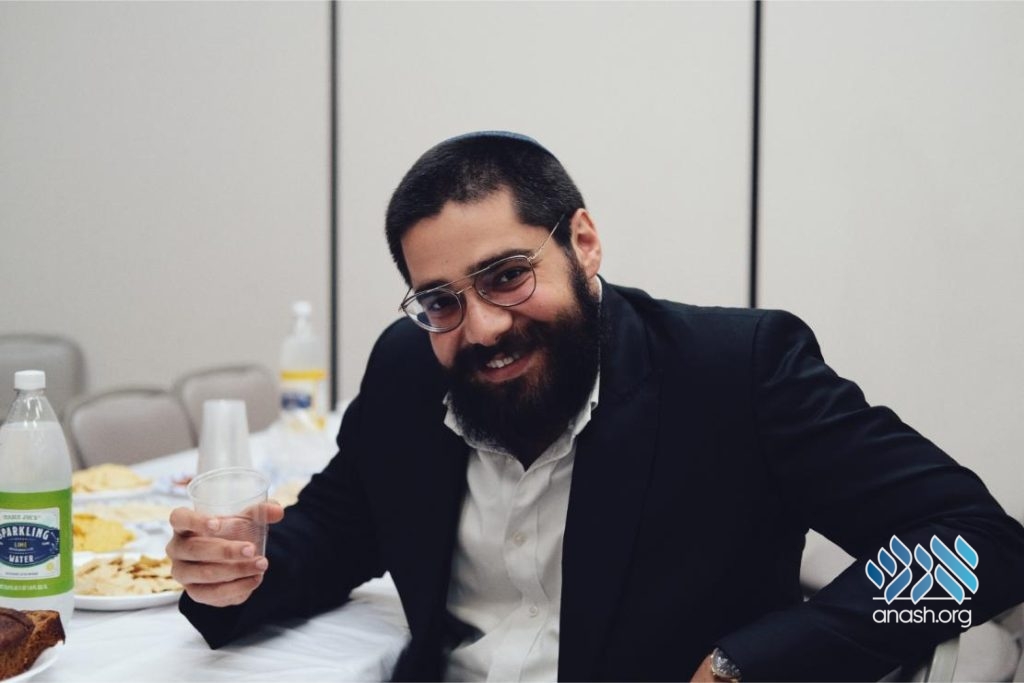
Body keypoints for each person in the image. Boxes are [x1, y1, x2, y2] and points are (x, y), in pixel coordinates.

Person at [168, 131, 1024, 681]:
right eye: (440, 300)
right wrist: (233, 571)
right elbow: (335, 530)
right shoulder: (408, 368)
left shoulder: (737, 371)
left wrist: (751, 664)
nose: (482, 326)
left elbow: (978, 543)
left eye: (508, 275)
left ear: (582, 242)